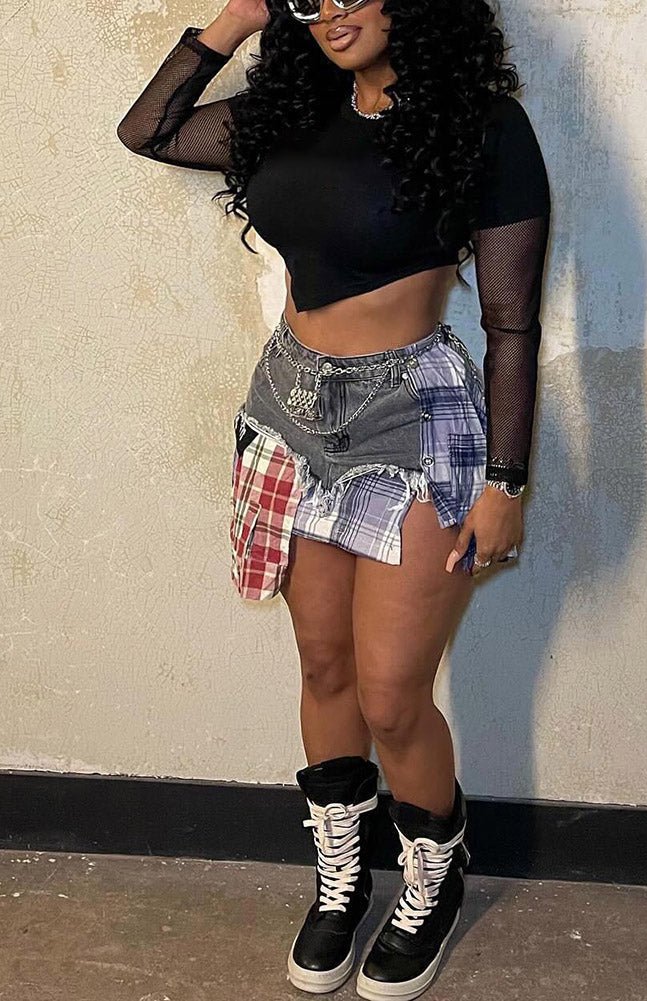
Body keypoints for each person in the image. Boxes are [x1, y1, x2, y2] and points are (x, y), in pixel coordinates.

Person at [116, 0, 551, 997]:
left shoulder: (482, 125)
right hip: (288, 411)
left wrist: (506, 482)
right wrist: (238, 18)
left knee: (394, 692)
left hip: (414, 421)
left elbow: (512, 322)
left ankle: (435, 868)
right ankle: (342, 875)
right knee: (324, 666)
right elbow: (148, 131)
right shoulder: (291, 108)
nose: (329, 11)